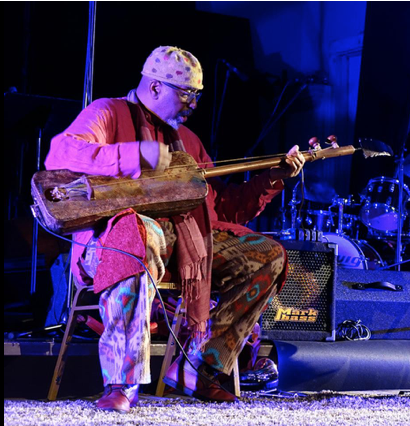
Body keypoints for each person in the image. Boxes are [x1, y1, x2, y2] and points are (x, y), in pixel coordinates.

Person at [44, 46, 305, 413]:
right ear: (154, 88)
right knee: (140, 233)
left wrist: (274, 178)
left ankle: (201, 367)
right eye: (186, 94)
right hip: (107, 245)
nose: (193, 104)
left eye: (197, 95)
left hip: (179, 246)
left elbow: (220, 210)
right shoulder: (108, 112)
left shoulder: (189, 142)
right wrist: (136, 154)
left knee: (267, 254)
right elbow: (60, 154)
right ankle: (122, 380)